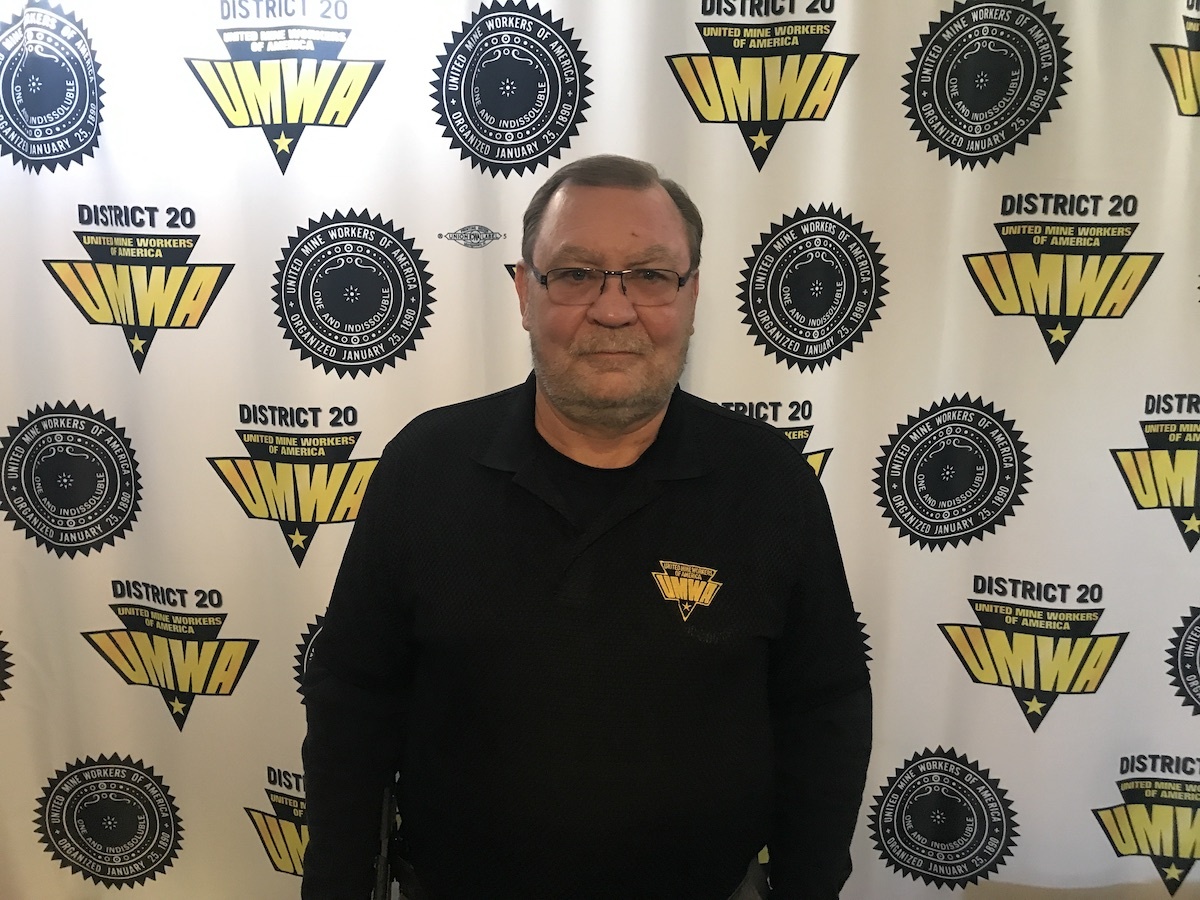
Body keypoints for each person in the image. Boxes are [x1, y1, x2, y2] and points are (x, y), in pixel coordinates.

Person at [301, 154, 872, 900]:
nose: (613, 309)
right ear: (523, 292)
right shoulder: (424, 469)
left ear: (692, 293)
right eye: (574, 274)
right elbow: (352, 707)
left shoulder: (770, 483)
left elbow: (823, 711)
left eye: (649, 274)